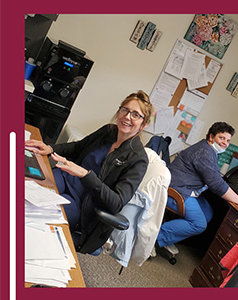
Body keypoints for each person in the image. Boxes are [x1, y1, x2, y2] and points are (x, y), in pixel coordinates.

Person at [24, 91, 152, 253]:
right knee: (25, 188)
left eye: (135, 115)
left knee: (34, 216)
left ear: (144, 124)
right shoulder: (108, 131)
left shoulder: (138, 160)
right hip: (65, 178)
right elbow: (78, 147)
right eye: (125, 110)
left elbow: (116, 203)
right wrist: (50, 148)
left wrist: (86, 175)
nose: (127, 117)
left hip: (83, 204)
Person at [156, 122, 238, 255]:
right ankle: (155, 238)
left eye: (228, 140)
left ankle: (169, 237)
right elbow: (216, 184)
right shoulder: (204, 152)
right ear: (211, 137)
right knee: (199, 224)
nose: (225, 143)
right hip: (176, 190)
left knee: (208, 213)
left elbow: (215, 178)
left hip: (185, 188)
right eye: (222, 138)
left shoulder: (209, 150)